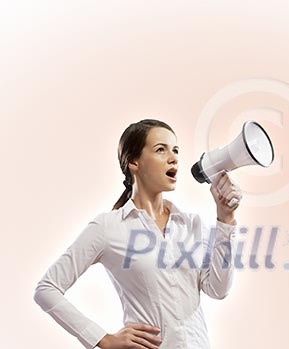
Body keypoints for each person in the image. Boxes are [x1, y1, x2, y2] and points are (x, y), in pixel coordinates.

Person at [33, 119, 242, 349]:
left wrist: (226, 219)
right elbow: (46, 289)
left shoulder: (191, 224)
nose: (173, 158)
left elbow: (218, 289)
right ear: (134, 161)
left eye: (175, 150)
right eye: (160, 149)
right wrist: (102, 339)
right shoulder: (108, 227)